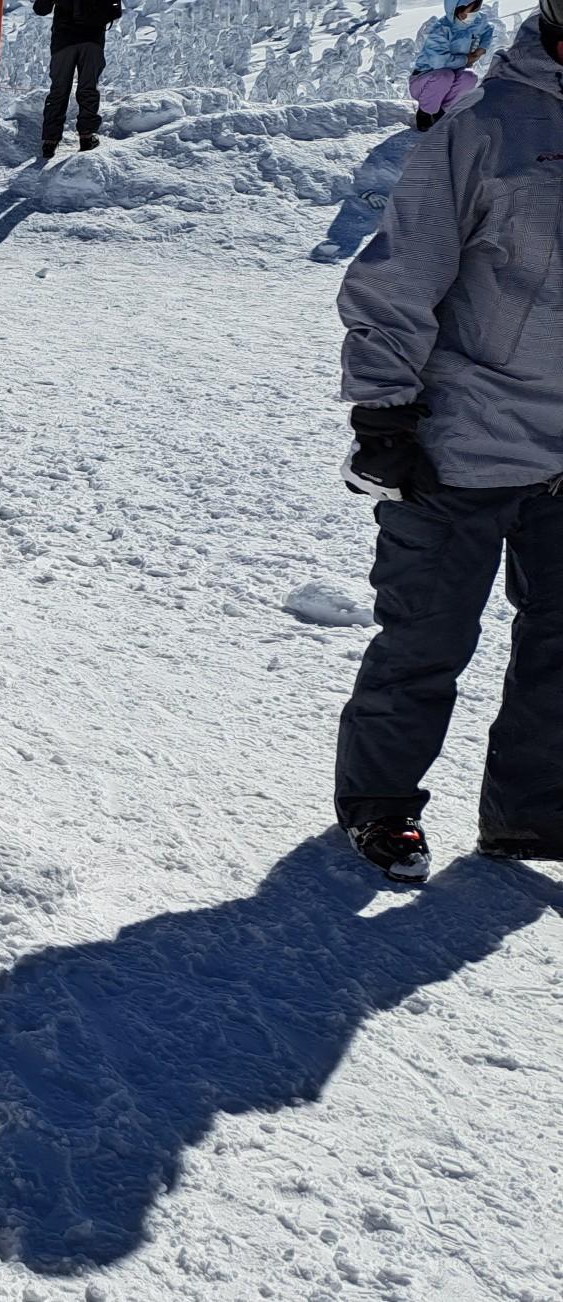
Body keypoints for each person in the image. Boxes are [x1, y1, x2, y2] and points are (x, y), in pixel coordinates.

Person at [332, 5, 563, 883]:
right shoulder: (486, 126)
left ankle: (532, 818)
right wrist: (383, 411)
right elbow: (401, 271)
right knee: (426, 636)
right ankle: (381, 805)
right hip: (461, 442)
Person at [32, 0, 122, 160]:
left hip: (63, 41)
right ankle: (86, 136)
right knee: (88, 88)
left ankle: (50, 141)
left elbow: (41, 9)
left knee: (59, 90)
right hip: (92, 40)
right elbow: (116, 11)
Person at [410, 0, 498, 132]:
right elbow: (439, 62)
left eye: (473, 10)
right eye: (466, 10)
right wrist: (466, 59)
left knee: (469, 77)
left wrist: (482, 48)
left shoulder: (476, 21)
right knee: (445, 76)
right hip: (423, 82)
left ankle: (442, 112)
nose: (469, 15)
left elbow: (488, 29)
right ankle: (425, 112)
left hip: (451, 79)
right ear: (454, 9)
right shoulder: (441, 29)